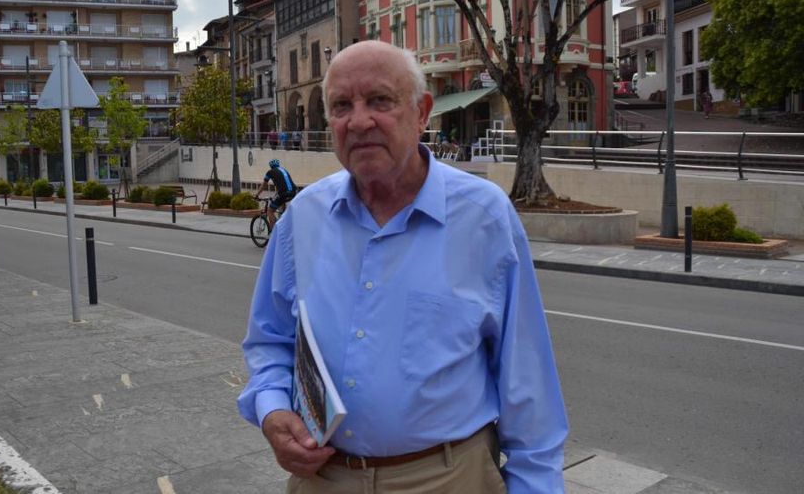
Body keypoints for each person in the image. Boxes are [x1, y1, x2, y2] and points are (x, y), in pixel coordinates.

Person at [238, 41, 567, 494]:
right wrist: (273, 410)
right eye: (341, 106)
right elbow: (270, 340)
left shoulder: (483, 217)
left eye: (379, 100)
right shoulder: (302, 219)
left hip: (448, 478)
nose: (359, 121)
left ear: (421, 112)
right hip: (324, 479)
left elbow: (528, 387)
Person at [254, 158, 297, 229]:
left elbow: (264, 185)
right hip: (293, 192)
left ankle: (276, 230)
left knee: (270, 211)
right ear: (278, 165)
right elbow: (283, 185)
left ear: (271, 166)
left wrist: (257, 195)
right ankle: (284, 225)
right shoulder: (284, 170)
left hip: (283, 193)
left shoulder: (270, 172)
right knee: (283, 211)